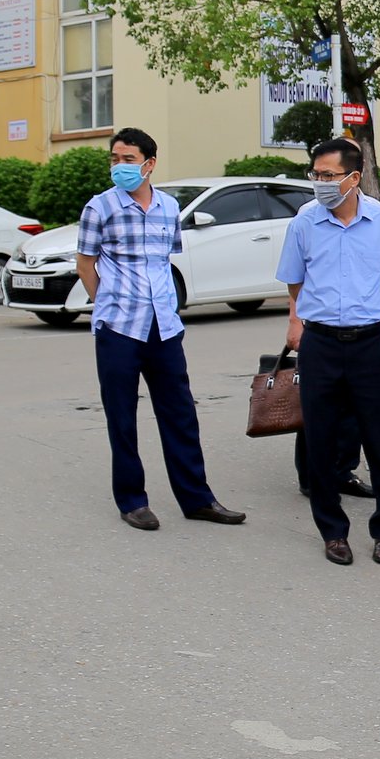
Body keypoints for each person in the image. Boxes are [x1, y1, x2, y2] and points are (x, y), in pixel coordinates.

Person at [76, 128, 246, 532]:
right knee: (123, 416)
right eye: (114, 159)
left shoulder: (169, 207)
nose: (120, 166)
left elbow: (167, 261)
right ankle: (133, 500)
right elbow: (86, 264)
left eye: (128, 159)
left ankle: (197, 499)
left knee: (181, 414)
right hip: (119, 327)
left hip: (164, 327)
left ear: (150, 164)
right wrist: (109, 303)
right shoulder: (99, 208)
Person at [277, 137, 380, 566]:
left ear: (354, 178)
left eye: (329, 176)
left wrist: (369, 311)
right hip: (321, 344)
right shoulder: (304, 222)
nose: (320, 184)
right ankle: (333, 530)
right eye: (316, 175)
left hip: (371, 343)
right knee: (321, 438)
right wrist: (307, 320)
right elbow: (294, 281)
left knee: (377, 440)